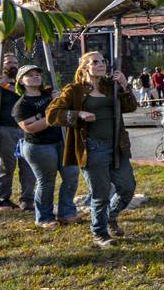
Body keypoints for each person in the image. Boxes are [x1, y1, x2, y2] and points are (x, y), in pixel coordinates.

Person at [46, 51, 138, 248]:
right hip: (92, 148)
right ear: (85, 67)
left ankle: (111, 216)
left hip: (117, 146)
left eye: (103, 61)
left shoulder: (110, 86)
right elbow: (52, 115)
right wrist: (78, 114)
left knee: (127, 187)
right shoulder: (74, 90)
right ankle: (100, 233)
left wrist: (124, 86)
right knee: (100, 194)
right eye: (95, 62)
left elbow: (130, 107)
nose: (100, 64)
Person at [12, 65, 80, 228]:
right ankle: (44, 217)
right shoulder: (21, 105)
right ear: (21, 81)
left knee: (71, 175)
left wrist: (61, 101)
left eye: (37, 74)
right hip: (39, 147)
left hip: (61, 141)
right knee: (46, 182)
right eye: (30, 75)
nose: (35, 77)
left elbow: (67, 114)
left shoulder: (50, 94)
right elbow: (31, 127)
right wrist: (53, 111)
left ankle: (67, 213)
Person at [0, 53, 36, 210]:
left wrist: (8, 86)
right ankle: (0, 199)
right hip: (5, 131)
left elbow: (32, 97)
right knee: (6, 167)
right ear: (1, 66)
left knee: (29, 166)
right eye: (8, 62)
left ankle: (28, 199)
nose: (12, 65)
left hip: (27, 130)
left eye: (15, 62)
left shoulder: (25, 87)